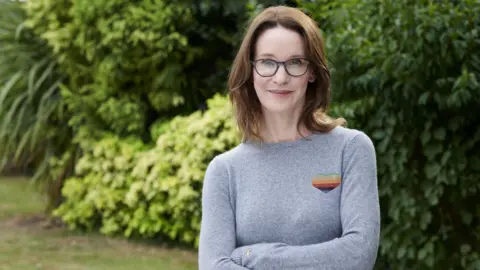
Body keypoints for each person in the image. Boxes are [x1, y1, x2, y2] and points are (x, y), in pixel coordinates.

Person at [198, 5, 380, 270]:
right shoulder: (224, 171)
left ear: (312, 71)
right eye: (267, 62)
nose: (280, 77)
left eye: (295, 62)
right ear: (250, 71)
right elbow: (214, 266)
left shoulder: (350, 149)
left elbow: (358, 255)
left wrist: (257, 257)